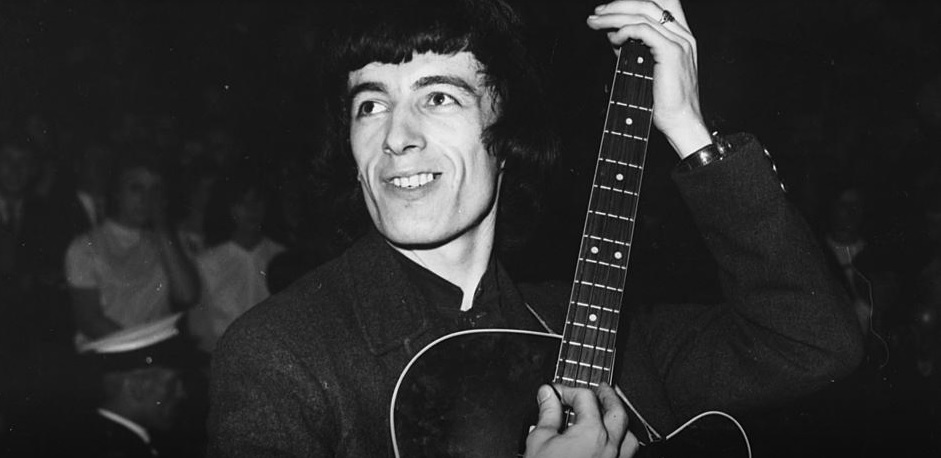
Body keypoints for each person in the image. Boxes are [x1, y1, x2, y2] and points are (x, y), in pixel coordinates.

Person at [208, 0, 864, 457]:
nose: (396, 137)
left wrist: (689, 129)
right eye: (370, 105)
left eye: (438, 97)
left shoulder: (600, 336)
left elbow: (812, 343)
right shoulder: (284, 353)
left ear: (506, 138)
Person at [65, 154, 200, 345]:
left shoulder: (170, 241)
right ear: (117, 192)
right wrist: (140, 347)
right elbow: (89, 320)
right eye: (136, 188)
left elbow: (187, 296)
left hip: (157, 352)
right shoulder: (85, 246)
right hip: (109, 350)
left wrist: (161, 227)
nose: (147, 199)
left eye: (155, 190)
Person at [187, 168, 285, 352]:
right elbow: (198, 330)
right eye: (242, 203)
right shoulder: (206, 262)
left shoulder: (281, 256)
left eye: (257, 201)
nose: (251, 209)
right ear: (230, 208)